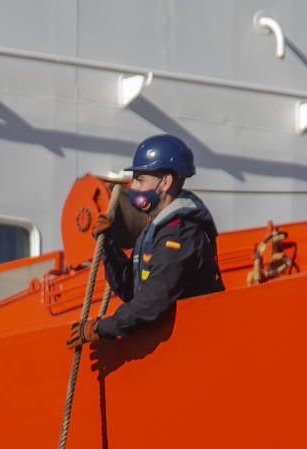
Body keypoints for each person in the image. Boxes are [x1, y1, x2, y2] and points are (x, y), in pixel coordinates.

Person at [66, 133, 223, 349]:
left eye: (140, 179)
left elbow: (151, 303)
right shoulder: (158, 228)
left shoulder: (181, 234)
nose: (133, 187)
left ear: (165, 182)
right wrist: (109, 244)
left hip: (193, 347)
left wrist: (101, 328)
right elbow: (130, 289)